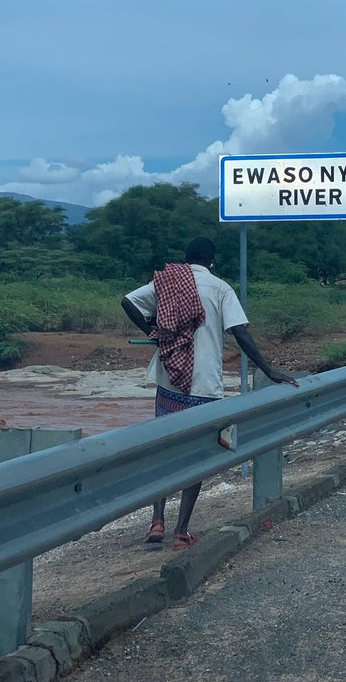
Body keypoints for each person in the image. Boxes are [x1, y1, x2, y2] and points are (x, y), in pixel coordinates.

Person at [121, 235, 298, 550]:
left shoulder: (167, 282)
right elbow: (240, 332)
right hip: (203, 384)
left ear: (185, 258)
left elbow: (128, 301)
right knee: (199, 455)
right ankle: (181, 531)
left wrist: (151, 331)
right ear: (211, 261)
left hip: (169, 381)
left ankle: (157, 521)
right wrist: (268, 369)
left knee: (163, 450)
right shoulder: (220, 288)